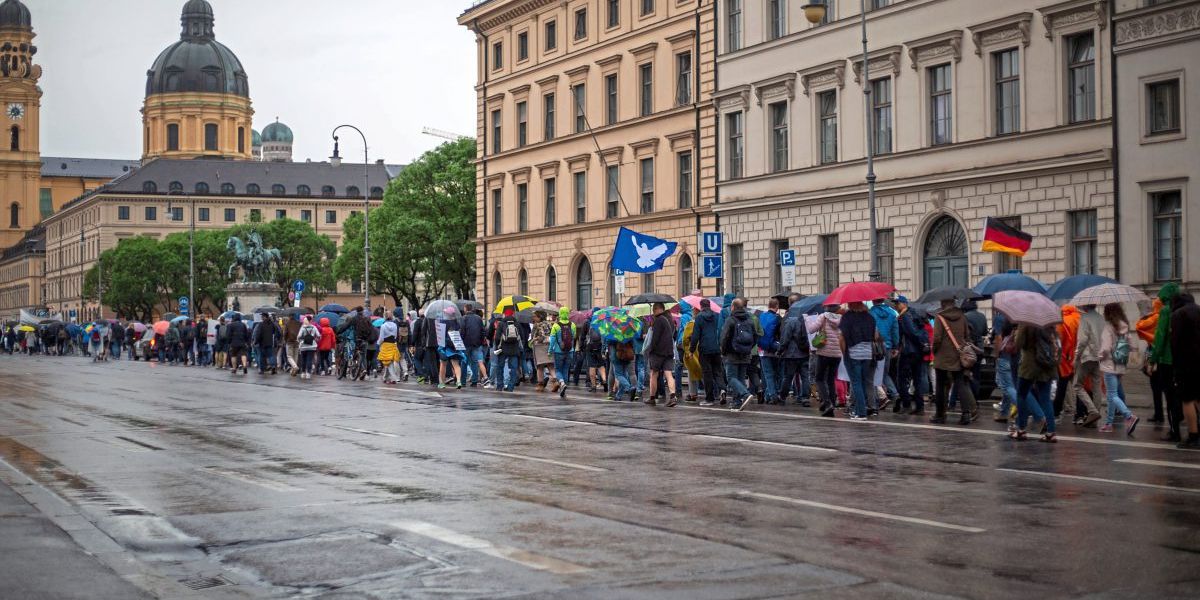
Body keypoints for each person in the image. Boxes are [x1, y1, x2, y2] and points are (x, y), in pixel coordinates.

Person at [932, 298, 978, 425]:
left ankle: (940, 415)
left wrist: (934, 351)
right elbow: (967, 336)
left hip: (942, 356)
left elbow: (937, 338)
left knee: (941, 386)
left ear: (942, 304)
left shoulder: (939, 317)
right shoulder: (962, 316)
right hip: (959, 355)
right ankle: (966, 414)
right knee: (961, 384)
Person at [1012, 323, 1060, 443]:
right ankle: (1051, 433)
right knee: (1045, 399)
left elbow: (1018, 344)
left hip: (1029, 365)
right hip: (1046, 365)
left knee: (1021, 395)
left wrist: (1017, 332)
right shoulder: (1050, 325)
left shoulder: (1026, 323)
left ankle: (1021, 430)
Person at [1150, 283, 1183, 442]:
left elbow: (1160, 336)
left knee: (1169, 397)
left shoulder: (1165, 311)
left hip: (1166, 359)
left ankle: (1174, 430)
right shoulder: (1182, 309)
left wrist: (1153, 358)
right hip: (1181, 359)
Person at [1098, 303, 1138, 435]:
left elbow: (1105, 348)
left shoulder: (1109, 327)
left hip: (1109, 364)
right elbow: (1132, 346)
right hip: (1120, 364)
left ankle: (1129, 416)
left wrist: (1099, 356)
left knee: (1112, 394)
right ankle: (1109, 424)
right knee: (1111, 396)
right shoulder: (1125, 326)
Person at [839, 301, 879, 421]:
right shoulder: (870, 317)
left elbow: (842, 338)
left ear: (851, 304)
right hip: (867, 353)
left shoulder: (847, 317)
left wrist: (844, 353)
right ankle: (858, 410)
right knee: (863, 382)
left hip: (852, 353)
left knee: (856, 383)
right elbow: (876, 336)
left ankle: (861, 413)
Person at [1170, 292, 1200, 449]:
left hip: (1187, 362)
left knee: (1187, 399)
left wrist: (1175, 367)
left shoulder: (1178, 315)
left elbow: (1175, 342)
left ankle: (1193, 435)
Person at [720, 298, 758, 412]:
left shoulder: (730, 320)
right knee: (740, 378)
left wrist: (724, 351)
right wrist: (748, 348)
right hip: (745, 353)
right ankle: (737, 402)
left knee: (731, 378)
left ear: (733, 307)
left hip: (732, 353)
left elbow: (724, 337)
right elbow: (755, 337)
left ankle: (745, 394)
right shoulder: (750, 320)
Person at [1072, 304, 1105, 428]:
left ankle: (1093, 411)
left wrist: (1076, 357)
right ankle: (1095, 418)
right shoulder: (1101, 318)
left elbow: (1082, 340)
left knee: (1077, 385)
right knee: (1097, 387)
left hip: (1086, 357)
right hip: (1098, 357)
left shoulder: (1084, 318)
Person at [809, 304, 843, 417]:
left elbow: (811, 329)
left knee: (819, 378)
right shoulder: (841, 318)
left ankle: (827, 403)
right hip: (837, 353)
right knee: (830, 379)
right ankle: (832, 402)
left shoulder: (823, 317)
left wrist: (807, 321)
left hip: (824, 352)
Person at [896, 297, 928, 416]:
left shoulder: (905, 316)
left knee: (901, 379)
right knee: (917, 379)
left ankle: (906, 404)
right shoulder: (915, 315)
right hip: (918, 352)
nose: (896, 306)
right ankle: (920, 407)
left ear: (904, 304)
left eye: (898, 303)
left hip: (908, 352)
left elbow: (911, 332)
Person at [1136, 298, 1166, 424]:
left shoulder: (1154, 318)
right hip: (1165, 356)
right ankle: (1177, 413)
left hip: (1154, 354)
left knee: (1156, 387)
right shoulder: (1165, 316)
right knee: (1167, 388)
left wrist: (1145, 316)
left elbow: (1139, 327)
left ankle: (1159, 414)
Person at [776, 300, 811, 407]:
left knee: (788, 376)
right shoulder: (806, 319)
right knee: (805, 376)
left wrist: (780, 350)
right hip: (804, 353)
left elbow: (785, 339)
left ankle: (782, 396)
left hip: (791, 354)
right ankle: (805, 397)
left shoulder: (790, 321)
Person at [645, 302, 678, 407]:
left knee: (654, 374)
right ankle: (673, 396)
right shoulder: (669, 319)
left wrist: (650, 350)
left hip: (658, 352)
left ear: (656, 309)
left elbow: (655, 338)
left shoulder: (658, 320)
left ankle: (652, 398)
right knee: (668, 374)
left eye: (654, 310)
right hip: (668, 351)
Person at [870, 298, 900, 410]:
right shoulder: (892, 313)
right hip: (887, 347)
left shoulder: (871, 313)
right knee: (884, 374)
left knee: (873, 374)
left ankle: (876, 400)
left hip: (875, 347)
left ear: (873, 301)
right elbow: (895, 331)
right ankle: (895, 394)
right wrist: (895, 346)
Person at [1055, 305, 1081, 422]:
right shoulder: (1080, 318)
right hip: (1079, 357)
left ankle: (1056, 411)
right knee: (1080, 387)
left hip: (1065, 358)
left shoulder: (1062, 322)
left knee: (1062, 386)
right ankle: (1081, 413)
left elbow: (1059, 340)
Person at [758, 299, 782, 405]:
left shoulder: (761, 316)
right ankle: (773, 395)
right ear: (776, 306)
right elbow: (781, 334)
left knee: (768, 374)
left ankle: (769, 395)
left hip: (763, 350)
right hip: (774, 349)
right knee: (775, 373)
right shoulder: (778, 318)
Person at [495, 307, 524, 392]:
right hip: (514, 350)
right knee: (513, 368)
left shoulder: (501, 324)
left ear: (504, 314)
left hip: (503, 349)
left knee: (500, 367)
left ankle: (499, 386)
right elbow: (522, 337)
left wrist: (497, 346)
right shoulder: (517, 324)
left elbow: (497, 338)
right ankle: (510, 387)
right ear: (513, 314)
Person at [549, 307, 576, 400]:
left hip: (558, 351)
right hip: (570, 351)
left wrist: (550, 350)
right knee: (565, 369)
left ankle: (562, 383)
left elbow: (552, 339)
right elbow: (574, 337)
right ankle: (563, 389)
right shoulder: (572, 325)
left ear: (560, 314)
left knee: (558, 370)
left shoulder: (556, 326)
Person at [438, 309, 466, 390]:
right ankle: (458, 381)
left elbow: (440, 334)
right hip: (455, 345)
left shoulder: (443, 322)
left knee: (443, 364)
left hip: (445, 346)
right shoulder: (457, 322)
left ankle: (442, 383)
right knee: (456, 365)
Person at [461, 308, 487, 386]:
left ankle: (463, 382)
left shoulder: (464, 318)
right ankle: (474, 381)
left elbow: (462, 331)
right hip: (476, 344)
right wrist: (480, 342)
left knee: (464, 362)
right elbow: (483, 331)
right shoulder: (478, 318)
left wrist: (461, 341)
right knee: (475, 363)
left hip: (466, 344)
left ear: (465, 309)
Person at [530, 311, 554, 392]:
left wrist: (534, 339)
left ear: (539, 317)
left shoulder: (536, 325)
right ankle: (556, 381)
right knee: (550, 365)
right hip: (549, 346)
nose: (533, 318)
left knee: (540, 367)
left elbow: (533, 336)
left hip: (539, 347)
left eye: (535, 316)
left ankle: (540, 385)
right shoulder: (549, 324)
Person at [377, 314, 402, 384]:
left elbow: (381, 337)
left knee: (387, 362)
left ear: (385, 318)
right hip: (392, 344)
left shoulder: (383, 326)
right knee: (389, 361)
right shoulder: (395, 325)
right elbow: (396, 335)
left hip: (385, 345)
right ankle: (385, 377)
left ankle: (393, 378)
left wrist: (378, 343)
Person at [297, 316, 321, 380]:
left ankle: (303, 373)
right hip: (312, 346)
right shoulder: (314, 327)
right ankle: (308, 373)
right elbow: (318, 335)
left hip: (303, 346)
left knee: (303, 359)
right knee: (309, 359)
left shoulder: (302, 327)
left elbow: (299, 336)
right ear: (311, 321)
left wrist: (300, 341)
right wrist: (315, 340)